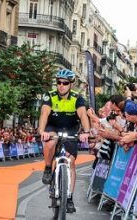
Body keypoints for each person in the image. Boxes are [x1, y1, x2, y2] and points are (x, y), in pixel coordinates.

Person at [38, 69, 90, 213]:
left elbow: (83, 116)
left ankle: (69, 198)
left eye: (65, 83)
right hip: (53, 126)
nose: (61, 85)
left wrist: (86, 132)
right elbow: (44, 113)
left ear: (71, 84)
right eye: (59, 82)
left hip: (71, 129)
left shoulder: (77, 98)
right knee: (50, 142)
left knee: (71, 162)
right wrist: (42, 131)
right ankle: (48, 168)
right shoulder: (50, 96)